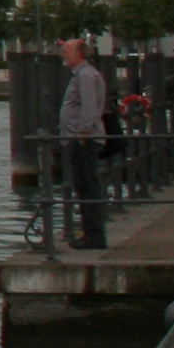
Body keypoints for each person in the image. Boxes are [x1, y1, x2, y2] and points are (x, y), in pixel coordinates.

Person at [57, 37, 110, 250]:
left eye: (66, 50)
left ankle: (94, 236)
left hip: (83, 141)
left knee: (88, 187)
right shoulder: (82, 75)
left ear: (79, 52)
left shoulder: (86, 76)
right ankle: (90, 233)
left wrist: (81, 134)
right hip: (79, 139)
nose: (62, 53)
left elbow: (89, 109)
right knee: (84, 186)